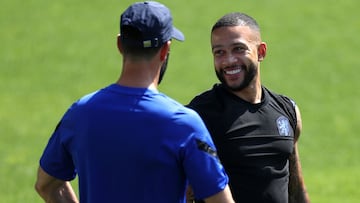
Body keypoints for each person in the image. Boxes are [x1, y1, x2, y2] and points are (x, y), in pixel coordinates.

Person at [34, 2, 235, 203]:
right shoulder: (183, 124)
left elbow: (47, 185)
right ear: (165, 50)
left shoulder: (79, 113)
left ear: (120, 45)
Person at [187, 12, 310, 203]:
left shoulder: (287, 110)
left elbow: (296, 190)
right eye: (219, 52)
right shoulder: (200, 115)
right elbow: (183, 191)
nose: (228, 61)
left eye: (238, 49)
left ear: (261, 52)